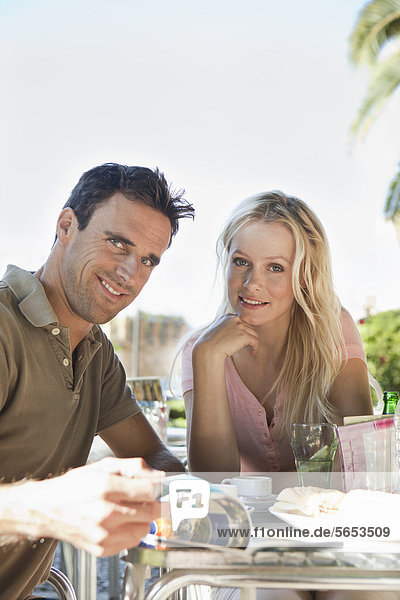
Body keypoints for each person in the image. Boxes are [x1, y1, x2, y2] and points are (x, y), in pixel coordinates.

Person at [181, 191, 400, 600]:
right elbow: (213, 481)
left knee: (364, 594)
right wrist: (208, 361)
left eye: (275, 268)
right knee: (271, 593)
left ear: (304, 276)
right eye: (241, 262)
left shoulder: (332, 331)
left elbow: (362, 471)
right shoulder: (201, 347)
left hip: (337, 535)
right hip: (250, 540)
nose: (252, 283)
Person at [0, 162, 194, 599]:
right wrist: (52, 507)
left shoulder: (96, 352)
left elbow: (154, 457)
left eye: (147, 260)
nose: (129, 272)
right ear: (67, 225)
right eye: (116, 242)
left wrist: (165, 492)